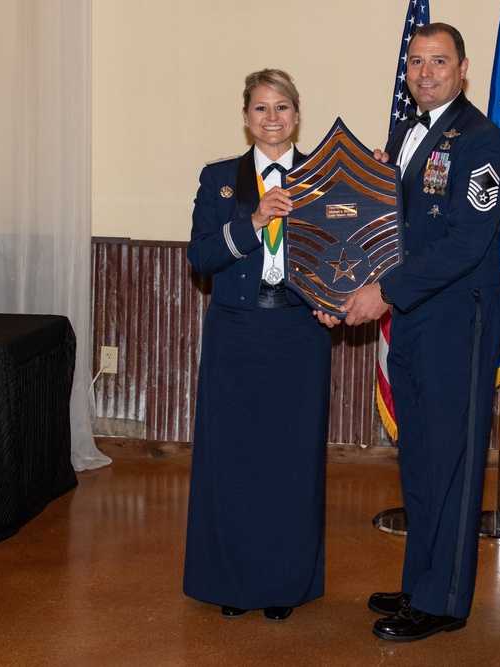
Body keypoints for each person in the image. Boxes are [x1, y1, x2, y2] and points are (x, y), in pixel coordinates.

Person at [340, 23, 500, 642]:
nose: (426, 72)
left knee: (453, 460)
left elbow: (467, 241)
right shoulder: (406, 134)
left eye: (439, 61)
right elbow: (389, 226)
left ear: (464, 69)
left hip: (456, 316)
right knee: (417, 456)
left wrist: (382, 292)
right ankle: (420, 580)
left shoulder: (482, 141)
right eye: (416, 61)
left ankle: (444, 600)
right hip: (413, 315)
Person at [183, 69, 337, 623]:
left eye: (282, 108)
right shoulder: (220, 177)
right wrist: (252, 222)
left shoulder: (323, 176)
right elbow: (201, 257)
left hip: (300, 333)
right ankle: (233, 581)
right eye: (260, 109)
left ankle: (284, 585)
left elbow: (342, 257)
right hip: (237, 333)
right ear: (246, 117)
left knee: (293, 463)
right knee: (234, 461)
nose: (271, 118)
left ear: (297, 115)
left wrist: (336, 300)